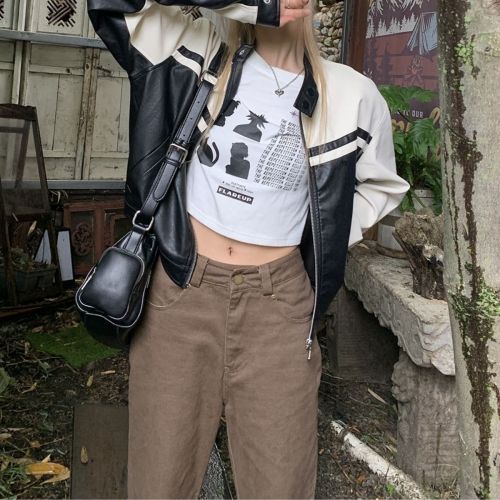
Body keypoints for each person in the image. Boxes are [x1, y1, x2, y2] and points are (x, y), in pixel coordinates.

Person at [87, 0, 410, 497]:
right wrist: (251, 6)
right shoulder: (191, 49)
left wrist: (319, 238)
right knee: (158, 482)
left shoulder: (352, 95)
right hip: (180, 294)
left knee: (280, 483)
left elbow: (381, 186)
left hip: (279, 309)